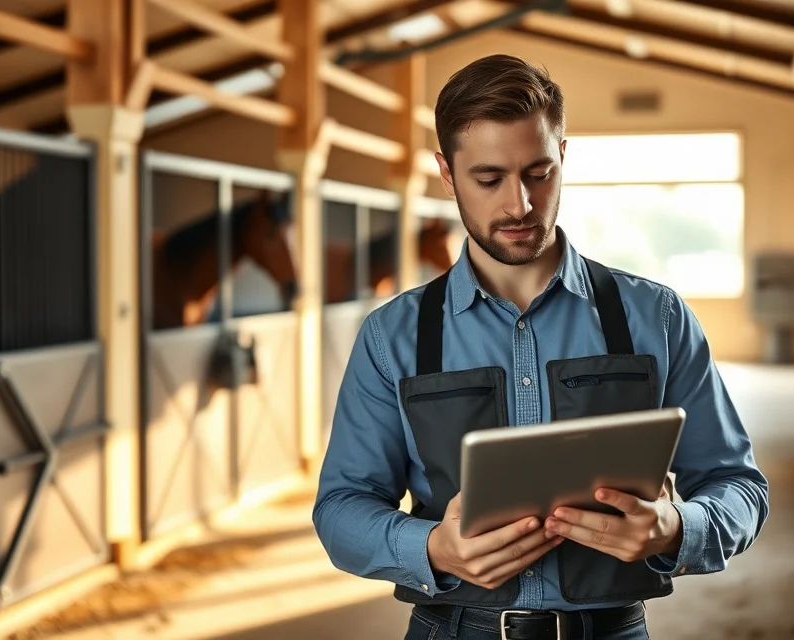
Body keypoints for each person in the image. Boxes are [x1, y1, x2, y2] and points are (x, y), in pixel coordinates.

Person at [312, 53, 770, 640]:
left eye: (538, 173)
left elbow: (739, 485)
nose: (520, 205)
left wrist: (676, 527)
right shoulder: (390, 336)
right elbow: (341, 508)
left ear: (563, 158)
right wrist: (429, 547)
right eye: (488, 179)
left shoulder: (657, 317)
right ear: (447, 173)